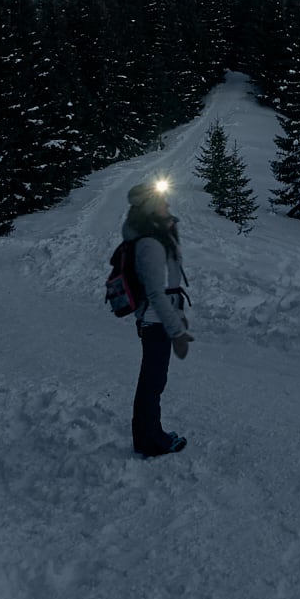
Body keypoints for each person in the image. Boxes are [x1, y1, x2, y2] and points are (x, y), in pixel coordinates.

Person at [123, 180, 194, 457]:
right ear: (152, 208)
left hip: (157, 319)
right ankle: (150, 441)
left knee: (153, 382)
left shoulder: (156, 235)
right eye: (162, 202)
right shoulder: (151, 243)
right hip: (155, 322)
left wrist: (177, 316)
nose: (168, 205)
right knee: (152, 384)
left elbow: (167, 286)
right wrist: (176, 331)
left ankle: (150, 435)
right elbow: (156, 292)